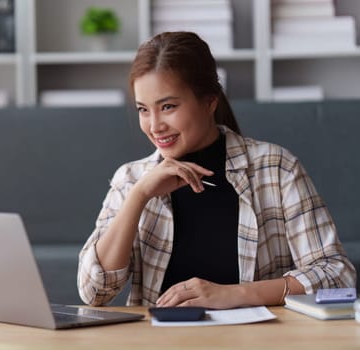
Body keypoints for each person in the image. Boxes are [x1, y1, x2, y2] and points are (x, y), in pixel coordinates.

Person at [77, 31, 356, 309]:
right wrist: (138, 197)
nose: (154, 125)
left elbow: (337, 275)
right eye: (143, 110)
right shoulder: (132, 179)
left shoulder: (276, 168)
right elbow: (94, 293)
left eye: (168, 106)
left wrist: (238, 294)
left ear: (210, 102)